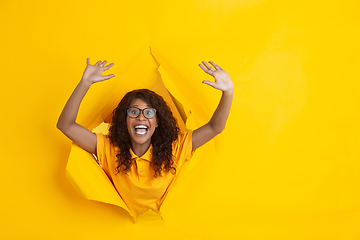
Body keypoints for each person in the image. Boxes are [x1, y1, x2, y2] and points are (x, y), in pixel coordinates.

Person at [57, 58, 234, 218]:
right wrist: (84, 83)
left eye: (149, 112)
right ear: (124, 121)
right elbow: (66, 125)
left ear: (157, 122)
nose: (141, 117)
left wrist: (228, 92)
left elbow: (215, 127)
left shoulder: (177, 148)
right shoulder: (108, 148)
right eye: (134, 112)